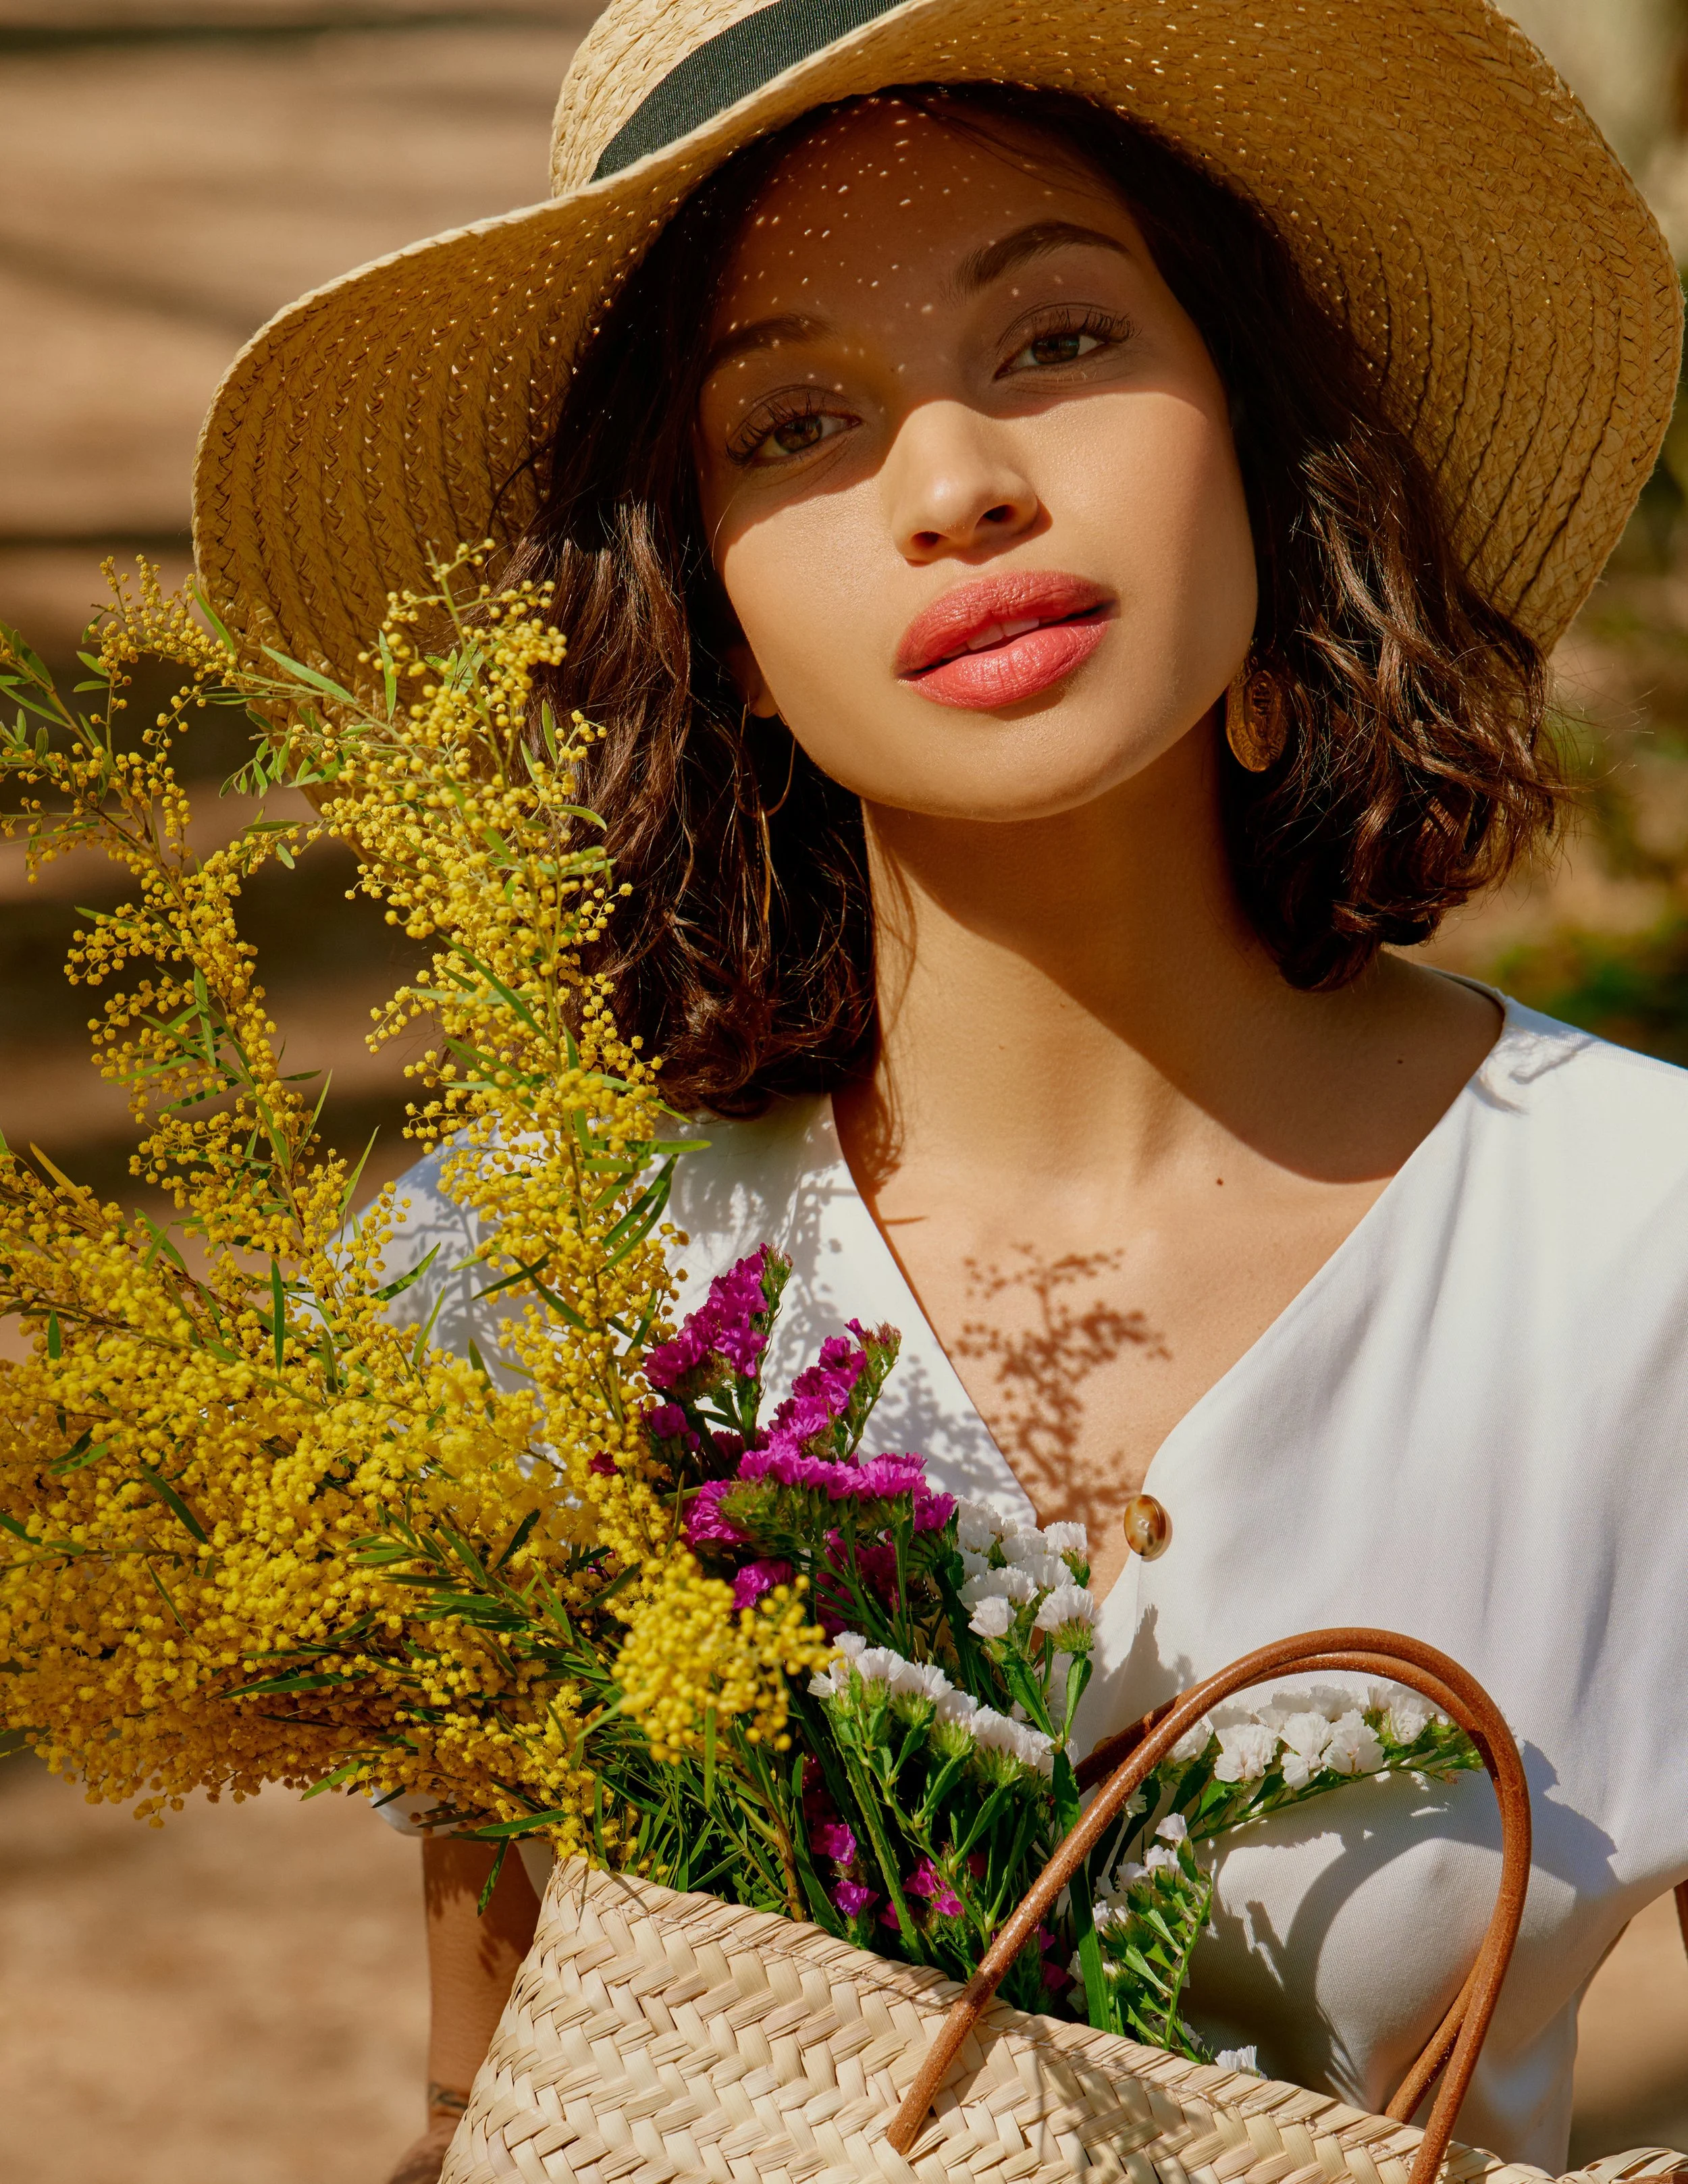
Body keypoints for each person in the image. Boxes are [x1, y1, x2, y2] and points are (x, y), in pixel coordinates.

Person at [190, 5, 1688, 2181]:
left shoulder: (1635, 1260)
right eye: (791, 421)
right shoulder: (513, 1281)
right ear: (693, 605)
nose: (955, 483)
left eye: (1059, 340)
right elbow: (489, 2099)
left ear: (1261, 437)